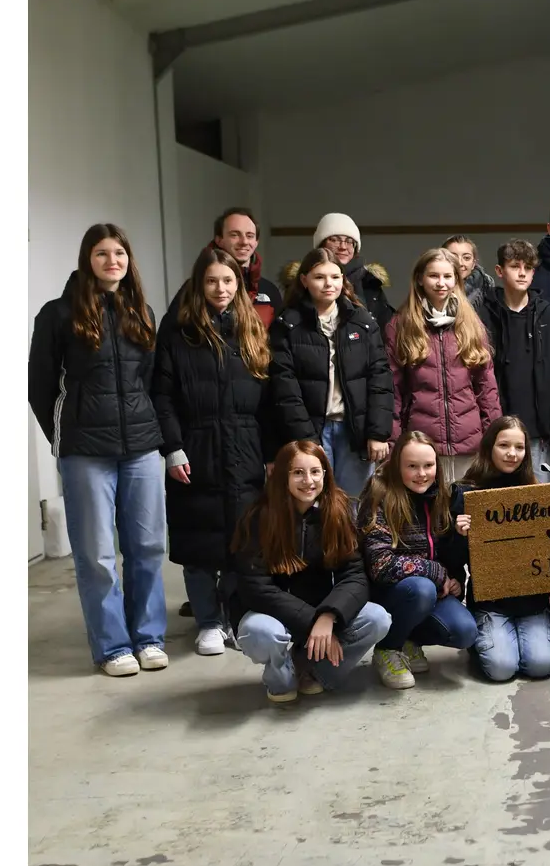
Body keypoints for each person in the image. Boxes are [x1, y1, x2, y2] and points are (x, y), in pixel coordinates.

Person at [29, 223, 170, 677]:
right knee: (97, 556)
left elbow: (148, 381)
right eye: (102, 253)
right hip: (86, 453)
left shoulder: (141, 312)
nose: (113, 261)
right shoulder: (57, 314)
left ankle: (148, 638)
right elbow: (40, 387)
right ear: (87, 259)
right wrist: (66, 438)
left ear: (129, 260)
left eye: (120, 253)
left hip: (142, 449)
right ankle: (113, 646)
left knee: (147, 547)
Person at [152, 246, 277, 655]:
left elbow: (270, 398)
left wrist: (272, 453)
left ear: (238, 284)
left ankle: (237, 617)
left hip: (245, 446)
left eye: (228, 280)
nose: (220, 288)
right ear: (198, 285)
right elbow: (163, 395)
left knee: (245, 540)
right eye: (211, 281)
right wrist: (172, 448)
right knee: (201, 540)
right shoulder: (179, 332)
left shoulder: (252, 330)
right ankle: (208, 621)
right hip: (197, 447)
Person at [231, 440, 392, 702]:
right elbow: (255, 588)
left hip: (321, 611)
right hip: (272, 615)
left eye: (315, 472)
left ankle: (316, 672)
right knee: (261, 633)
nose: (309, 481)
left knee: (378, 619)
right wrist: (312, 622)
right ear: (282, 475)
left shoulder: (338, 512)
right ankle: (280, 673)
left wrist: (329, 616)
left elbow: (354, 576)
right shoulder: (258, 517)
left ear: (325, 474)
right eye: (298, 472)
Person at [269, 247, 394, 503]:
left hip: (354, 432)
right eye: (319, 277)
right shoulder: (287, 325)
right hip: (312, 429)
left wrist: (378, 432)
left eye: (335, 277)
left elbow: (380, 378)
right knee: (312, 505)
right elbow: (284, 387)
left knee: (355, 506)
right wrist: (305, 437)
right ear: (304, 280)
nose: (329, 284)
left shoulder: (362, 321)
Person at [357, 430, 476, 689]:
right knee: (421, 588)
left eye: (428, 465)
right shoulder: (379, 497)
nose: (422, 473)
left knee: (465, 631)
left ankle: (409, 640)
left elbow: (446, 555)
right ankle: (388, 648)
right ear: (397, 465)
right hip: (388, 594)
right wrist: (437, 573)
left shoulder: (442, 497)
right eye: (412, 466)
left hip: (432, 593)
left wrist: (454, 577)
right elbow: (381, 566)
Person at [448, 418, 550, 681]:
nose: (512, 453)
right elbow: (452, 558)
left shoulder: (537, 492)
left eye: (519, 447)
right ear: (489, 447)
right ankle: (485, 635)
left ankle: (535, 628)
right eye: (504, 445)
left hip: (533, 601)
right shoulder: (466, 493)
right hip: (491, 602)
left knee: (540, 666)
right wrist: (459, 535)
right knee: (501, 669)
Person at [386, 247, 501, 484]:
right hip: (422, 444)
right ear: (420, 279)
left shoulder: (471, 323)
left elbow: (486, 387)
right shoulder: (401, 324)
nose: (441, 283)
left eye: (447, 276)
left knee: (465, 513)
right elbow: (392, 390)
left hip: (469, 443)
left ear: (456, 280)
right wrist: (394, 441)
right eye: (433, 276)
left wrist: (493, 436)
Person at [476, 239, 550, 485]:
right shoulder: (482, 315)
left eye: (528, 267)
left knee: (540, 506)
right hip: (496, 430)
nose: (522, 273)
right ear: (499, 271)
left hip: (539, 432)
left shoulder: (549, 316)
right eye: (515, 266)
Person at [168, 208, 284, 327]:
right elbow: (168, 339)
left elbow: (279, 340)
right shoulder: (195, 288)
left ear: (256, 242)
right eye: (235, 235)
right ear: (219, 240)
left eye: (250, 236)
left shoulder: (269, 291)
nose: (244, 241)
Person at [283, 213, 394, 328]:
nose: (343, 247)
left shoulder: (370, 282)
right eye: (335, 240)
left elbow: (385, 328)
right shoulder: (301, 282)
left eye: (349, 241)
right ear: (321, 245)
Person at [442, 234, 497, 309]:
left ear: (473, 263)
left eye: (466, 258)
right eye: (453, 257)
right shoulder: (432, 285)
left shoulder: (486, 286)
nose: (460, 263)